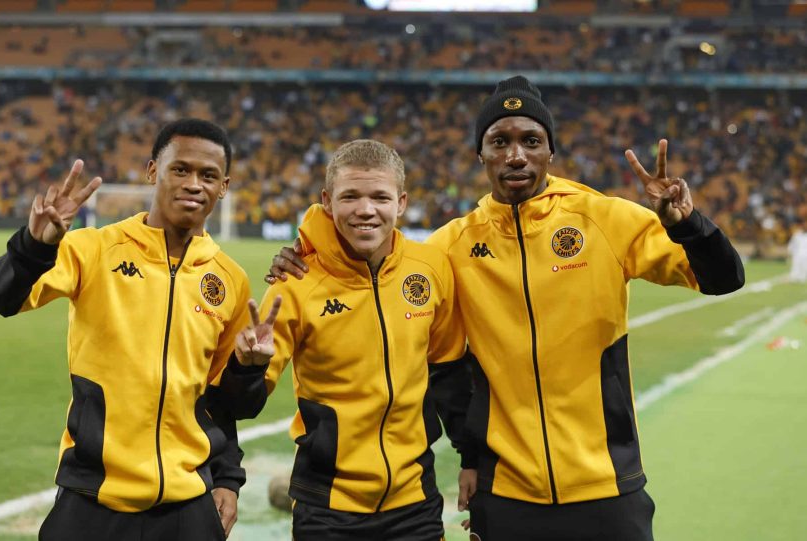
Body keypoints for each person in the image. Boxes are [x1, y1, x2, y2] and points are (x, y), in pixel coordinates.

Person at [267, 76, 745, 540]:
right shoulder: (450, 247)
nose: (516, 154)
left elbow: (723, 278)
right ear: (481, 154)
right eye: (499, 141)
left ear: (550, 151)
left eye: (531, 140)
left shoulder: (605, 219)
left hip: (606, 483)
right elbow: (381, 270)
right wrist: (307, 251)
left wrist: (688, 225)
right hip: (505, 492)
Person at [0, 118, 271, 541]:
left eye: (208, 175)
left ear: (223, 187)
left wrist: (227, 476)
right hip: (92, 496)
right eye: (180, 169)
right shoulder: (94, 249)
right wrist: (34, 247)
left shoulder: (230, 280)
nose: (194, 184)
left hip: (188, 505)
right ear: (153, 171)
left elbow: (222, 403)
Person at [251, 139, 473, 540]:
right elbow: (245, 401)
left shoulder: (430, 268)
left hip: (415, 500)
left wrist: (472, 458)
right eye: (350, 196)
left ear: (401, 203)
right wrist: (246, 368)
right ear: (327, 201)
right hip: (327, 505)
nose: (366, 209)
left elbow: (449, 373)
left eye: (380, 197)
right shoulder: (295, 282)